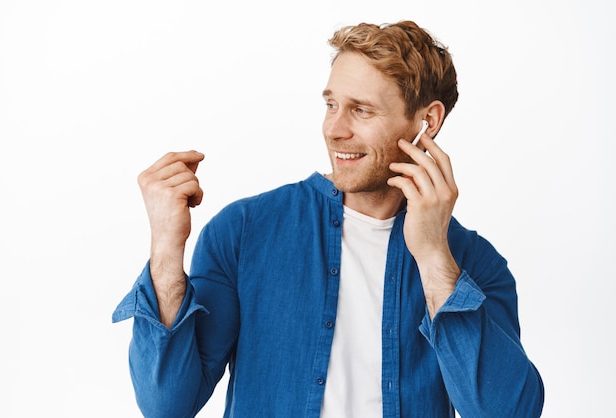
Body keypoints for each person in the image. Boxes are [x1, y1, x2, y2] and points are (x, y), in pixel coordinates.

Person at [113, 20, 544, 418]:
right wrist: (166, 249)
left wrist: (433, 257)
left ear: (426, 122)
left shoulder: (475, 264)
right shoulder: (244, 232)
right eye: (331, 104)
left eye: (361, 110)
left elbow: (506, 412)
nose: (334, 130)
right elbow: (166, 404)